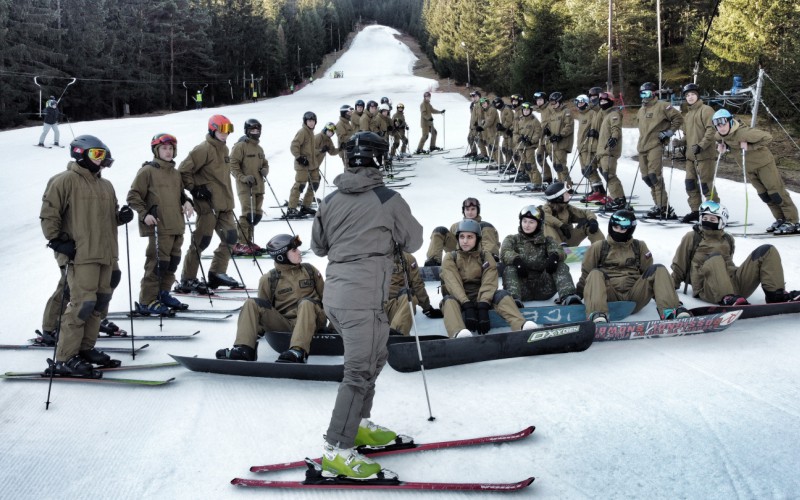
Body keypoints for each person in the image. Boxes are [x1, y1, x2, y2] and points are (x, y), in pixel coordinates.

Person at [311, 131, 423, 480]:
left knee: (375, 358)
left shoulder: (330, 200)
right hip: (361, 299)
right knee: (358, 373)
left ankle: (357, 424)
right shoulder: (387, 198)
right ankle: (336, 449)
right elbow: (414, 240)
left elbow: (318, 246)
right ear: (378, 159)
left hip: (340, 298)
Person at [40, 135, 131, 376]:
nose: (100, 160)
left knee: (99, 304)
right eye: (96, 154)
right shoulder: (64, 180)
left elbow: (108, 217)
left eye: (103, 155)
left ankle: (85, 349)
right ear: (80, 153)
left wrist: (120, 217)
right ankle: (65, 357)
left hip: (106, 253)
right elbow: (49, 213)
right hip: (81, 253)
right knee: (82, 304)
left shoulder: (106, 185)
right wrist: (57, 241)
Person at [216, 234, 327, 363]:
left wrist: (337, 326)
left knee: (306, 303)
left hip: (313, 319)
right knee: (252, 303)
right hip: (286, 324)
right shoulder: (268, 279)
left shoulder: (309, 270)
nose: (299, 252)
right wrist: (255, 330)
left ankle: (298, 351)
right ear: (281, 256)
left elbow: (327, 299)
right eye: (294, 250)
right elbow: (264, 309)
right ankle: (245, 349)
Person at [671, 201, 800, 305]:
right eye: (705, 218)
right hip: (708, 288)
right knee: (715, 259)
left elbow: (728, 265)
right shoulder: (692, 237)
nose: (708, 221)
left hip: (736, 286)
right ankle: (726, 297)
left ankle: (776, 295)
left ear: (721, 221)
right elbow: (680, 264)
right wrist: (671, 285)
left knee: (767, 250)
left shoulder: (728, 239)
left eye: (712, 219)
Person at [577, 210, 690, 322]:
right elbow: (586, 275)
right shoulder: (599, 247)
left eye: (623, 229)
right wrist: (577, 295)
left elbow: (650, 275)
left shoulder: (639, 246)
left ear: (630, 229)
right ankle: (597, 315)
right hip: (609, 296)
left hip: (635, 296)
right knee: (595, 273)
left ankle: (671, 310)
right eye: (615, 227)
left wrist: (667, 297)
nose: (618, 231)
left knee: (658, 269)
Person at [126, 133, 193, 314]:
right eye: (164, 148)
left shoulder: (175, 173)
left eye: (171, 148)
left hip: (176, 226)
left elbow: (180, 195)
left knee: (172, 263)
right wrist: (144, 214)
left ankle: (163, 293)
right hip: (159, 226)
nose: (168, 151)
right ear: (156, 150)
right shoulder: (147, 171)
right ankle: (147, 301)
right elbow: (133, 196)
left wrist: (187, 202)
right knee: (157, 264)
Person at [174, 114, 241, 294]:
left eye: (229, 129)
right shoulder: (203, 149)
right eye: (222, 129)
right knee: (201, 241)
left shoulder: (224, 149)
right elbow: (183, 171)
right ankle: (187, 278)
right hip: (208, 205)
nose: (226, 133)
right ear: (212, 129)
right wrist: (194, 189)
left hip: (225, 204)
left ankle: (217, 272)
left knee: (231, 238)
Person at [440, 219, 538, 338]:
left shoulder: (485, 256)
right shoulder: (450, 257)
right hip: (459, 298)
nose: (465, 241)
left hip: (483, 296)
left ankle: (521, 325)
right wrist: (466, 304)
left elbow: (489, 282)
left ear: (477, 239)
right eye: (462, 237)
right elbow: (453, 283)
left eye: (470, 237)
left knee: (502, 295)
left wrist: (483, 305)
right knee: (448, 300)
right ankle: (458, 333)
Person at [712, 108, 799, 234]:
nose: (721, 128)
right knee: (765, 195)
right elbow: (722, 141)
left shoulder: (744, 133)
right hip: (749, 168)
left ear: (730, 122)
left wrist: (750, 146)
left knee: (776, 192)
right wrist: (723, 146)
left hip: (764, 164)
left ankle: (792, 221)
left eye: (723, 124)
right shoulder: (719, 135)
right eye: (717, 125)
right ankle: (781, 219)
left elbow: (767, 137)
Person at [501, 205, 582, 304]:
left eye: (531, 222)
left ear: (539, 224)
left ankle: (568, 296)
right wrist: (516, 260)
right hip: (521, 288)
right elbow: (505, 252)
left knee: (559, 265)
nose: (527, 225)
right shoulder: (512, 239)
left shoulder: (547, 241)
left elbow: (559, 250)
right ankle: (513, 300)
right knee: (509, 268)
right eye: (524, 221)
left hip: (544, 288)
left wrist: (555, 256)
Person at [636, 81, 683, 219]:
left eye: (647, 93)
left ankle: (663, 207)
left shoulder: (662, 106)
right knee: (646, 178)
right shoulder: (641, 110)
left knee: (654, 176)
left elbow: (678, 118)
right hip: (643, 146)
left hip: (655, 144)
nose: (644, 96)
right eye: (642, 94)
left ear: (653, 93)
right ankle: (658, 205)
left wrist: (669, 132)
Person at [676, 83, 719, 223]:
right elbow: (688, 135)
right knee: (690, 184)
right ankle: (696, 211)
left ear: (698, 95)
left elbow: (711, 130)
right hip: (690, 157)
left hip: (704, 156)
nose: (690, 97)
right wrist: (680, 142)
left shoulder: (706, 110)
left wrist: (701, 146)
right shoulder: (688, 114)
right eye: (687, 95)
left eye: (693, 94)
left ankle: (713, 212)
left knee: (706, 185)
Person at [229, 119, 270, 256]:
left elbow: (265, 163)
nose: (255, 132)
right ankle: (241, 243)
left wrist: (265, 170)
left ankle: (248, 241)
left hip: (259, 186)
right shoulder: (241, 146)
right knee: (247, 214)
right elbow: (232, 165)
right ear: (247, 131)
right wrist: (243, 177)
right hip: (246, 187)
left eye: (257, 130)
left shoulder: (259, 148)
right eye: (252, 130)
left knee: (256, 215)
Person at [423, 197, 500, 267]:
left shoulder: (485, 226)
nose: (470, 212)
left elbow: (489, 242)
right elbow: (452, 244)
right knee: (440, 230)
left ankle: (490, 257)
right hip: (459, 253)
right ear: (464, 211)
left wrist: (488, 256)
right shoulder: (456, 226)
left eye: (473, 209)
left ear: (477, 210)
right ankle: (434, 261)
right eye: (467, 209)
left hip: (478, 254)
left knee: (486, 227)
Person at [384, 251, 441, 335]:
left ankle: (397, 334)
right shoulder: (370, 258)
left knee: (409, 295)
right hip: (377, 308)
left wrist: (427, 308)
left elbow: (417, 285)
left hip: (396, 307)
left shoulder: (407, 259)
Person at [286, 111, 320, 219]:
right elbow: (294, 146)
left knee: (314, 184)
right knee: (300, 185)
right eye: (309, 121)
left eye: (313, 121)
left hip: (312, 165)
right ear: (305, 122)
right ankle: (291, 208)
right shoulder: (302, 132)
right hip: (302, 164)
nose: (311, 123)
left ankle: (305, 206)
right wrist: (299, 158)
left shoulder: (311, 133)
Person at [595, 92, 626, 211]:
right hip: (602, 151)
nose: (603, 103)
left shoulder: (614, 114)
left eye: (605, 101)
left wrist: (614, 138)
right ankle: (616, 197)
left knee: (609, 175)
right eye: (601, 101)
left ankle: (619, 199)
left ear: (611, 102)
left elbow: (616, 128)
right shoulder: (605, 115)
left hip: (609, 150)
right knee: (606, 174)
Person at [575, 94, 606, 202]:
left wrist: (594, 133)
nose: (580, 104)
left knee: (589, 169)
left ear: (587, 103)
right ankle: (595, 188)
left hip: (589, 145)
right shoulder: (581, 114)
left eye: (582, 102)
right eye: (578, 103)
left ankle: (599, 191)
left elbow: (597, 125)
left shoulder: (592, 113)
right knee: (584, 170)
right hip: (581, 145)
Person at [540, 92, 574, 185]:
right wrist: (548, 131)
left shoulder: (566, 112)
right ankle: (560, 182)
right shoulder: (553, 113)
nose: (552, 105)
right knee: (556, 165)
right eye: (551, 103)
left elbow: (569, 126)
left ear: (559, 101)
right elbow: (550, 125)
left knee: (561, 165)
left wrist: (560, 135)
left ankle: (568, 185)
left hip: (562, 143)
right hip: (554, 143)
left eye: (554, 102)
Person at [512, 102, 544, 186]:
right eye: (524, 110)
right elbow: (515, 132)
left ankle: (537, 183)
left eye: (527, 110)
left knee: (531, 164)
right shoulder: (520, 120)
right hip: (521, 146)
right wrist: (519, 138)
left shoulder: (534, 121)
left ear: (530, 111)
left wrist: (531, 141)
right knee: (526, 165)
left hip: (529, 146)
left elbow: (538, 133)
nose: (526, 112)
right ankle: (532, 181)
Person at [532, 91, 554, 184]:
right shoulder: (542, 110)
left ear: (545, 100)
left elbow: (555, 121)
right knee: (540, 156)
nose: (539, 102)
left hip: (551, 137)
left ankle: (564, 179)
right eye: (537, 100)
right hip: (543, 138)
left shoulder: (550, 108)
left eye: (540, 100)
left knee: (555, 160)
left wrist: (549, 129)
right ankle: (547, 176)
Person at [464, 91, 481, 158]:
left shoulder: (480, 104)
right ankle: (473, 152)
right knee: (470, 138)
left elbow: (480, 115)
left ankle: (483, 153)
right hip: (472, 125)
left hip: (477, 125)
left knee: (477, 139)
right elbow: (473, 116)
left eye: (475, 96)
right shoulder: (473, 104)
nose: (473, 98)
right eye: (472, 97)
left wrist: (478, 124)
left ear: (479, 97)